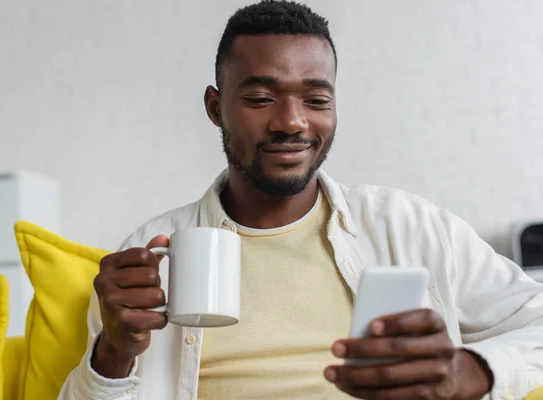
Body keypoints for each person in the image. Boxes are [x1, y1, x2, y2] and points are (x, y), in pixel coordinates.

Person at [59, 1, 543, 399]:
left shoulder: (409, 225)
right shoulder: (149, 252)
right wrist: (115, 353)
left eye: (316, 100)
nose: (292, 122)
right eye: (260, 99)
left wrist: (474, 371)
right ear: (214, 107)